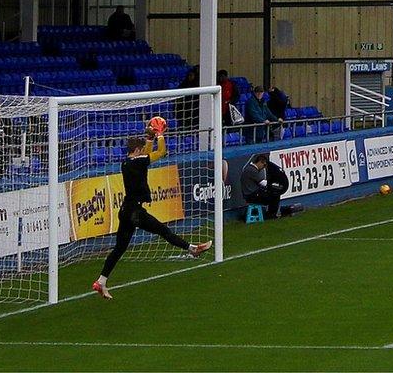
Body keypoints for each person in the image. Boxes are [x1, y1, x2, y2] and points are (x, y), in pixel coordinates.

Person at [92, 121, 212, 299]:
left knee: (119, 249)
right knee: (164, 231)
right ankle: (192, 248)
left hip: (125, 210)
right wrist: (160, 135)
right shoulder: (138, 161)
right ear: (137, 150)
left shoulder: (127, 163)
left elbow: (146, 155)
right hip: (135, 213)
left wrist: (149, 138)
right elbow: (161, 152)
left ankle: (101, 282)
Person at [239, 152, 293, 218]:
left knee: (271, 194)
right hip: (252, 195)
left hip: (251, 194)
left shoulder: (249, 169)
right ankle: (271, 215)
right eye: (263, 165)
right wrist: (274, 185)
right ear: (260, 162)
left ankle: (271, 213)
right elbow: (263, 183)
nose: (263, 167)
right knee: (274, 195)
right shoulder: (252, 170)